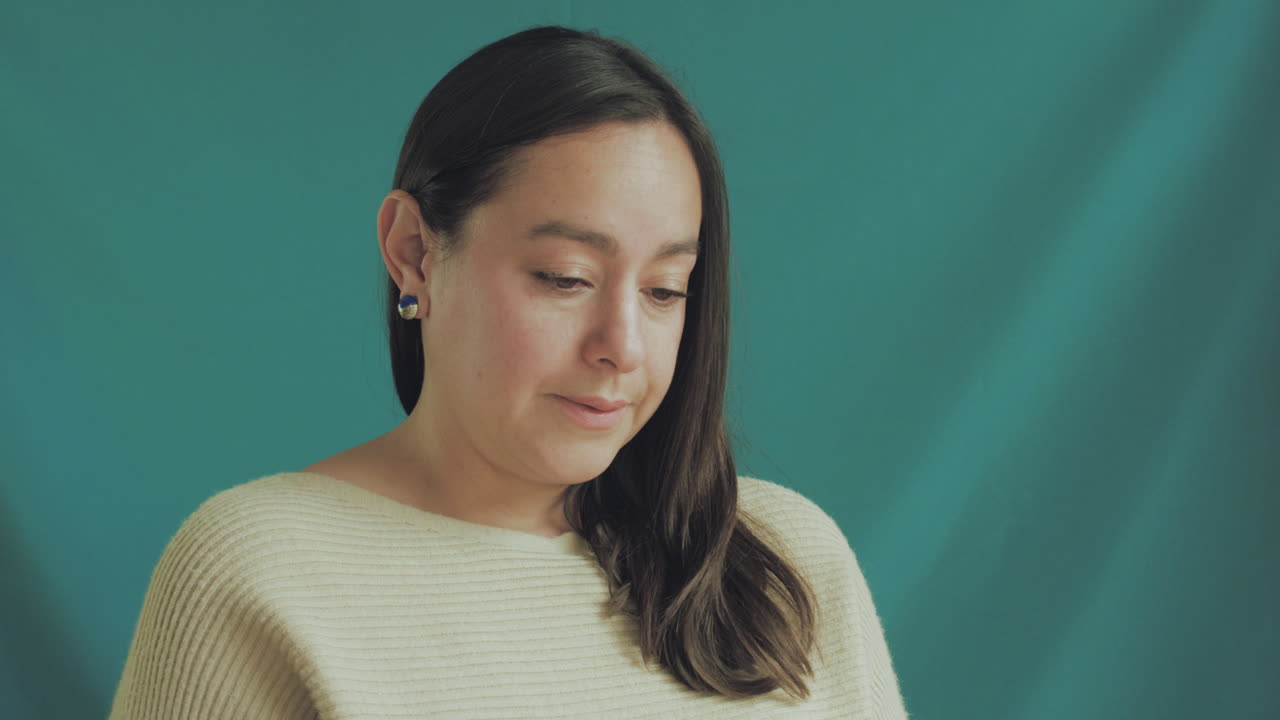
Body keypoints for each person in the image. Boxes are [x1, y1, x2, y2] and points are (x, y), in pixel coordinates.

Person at [109, 25, 909, 719]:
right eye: (565, 278)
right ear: (414, 253)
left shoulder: (781, 559)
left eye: (666, 290)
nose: (622, 347)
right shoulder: (258, 572)